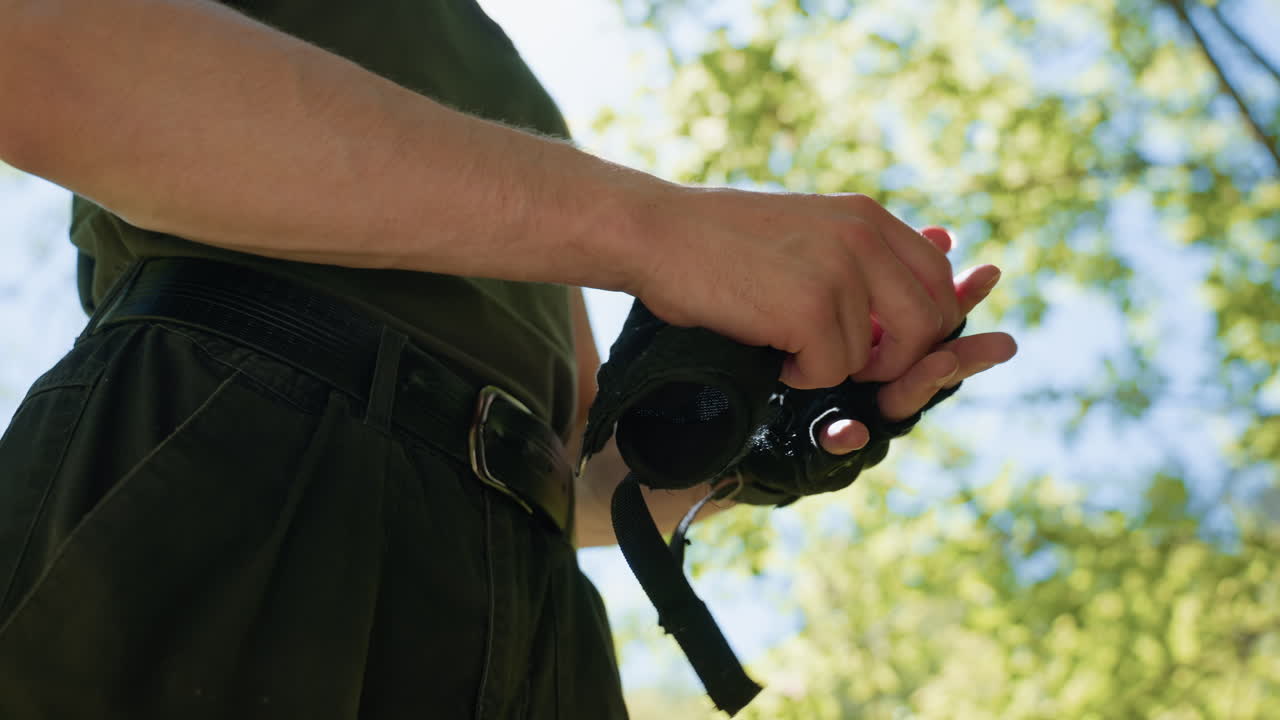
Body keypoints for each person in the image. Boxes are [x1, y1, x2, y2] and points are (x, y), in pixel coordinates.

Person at [0, 1, 1017, 718]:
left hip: (534, 617)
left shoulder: (507, 78)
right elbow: (37, 52)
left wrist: (739, 423)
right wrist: (656, 229)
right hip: (238, 465)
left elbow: (573, 479)